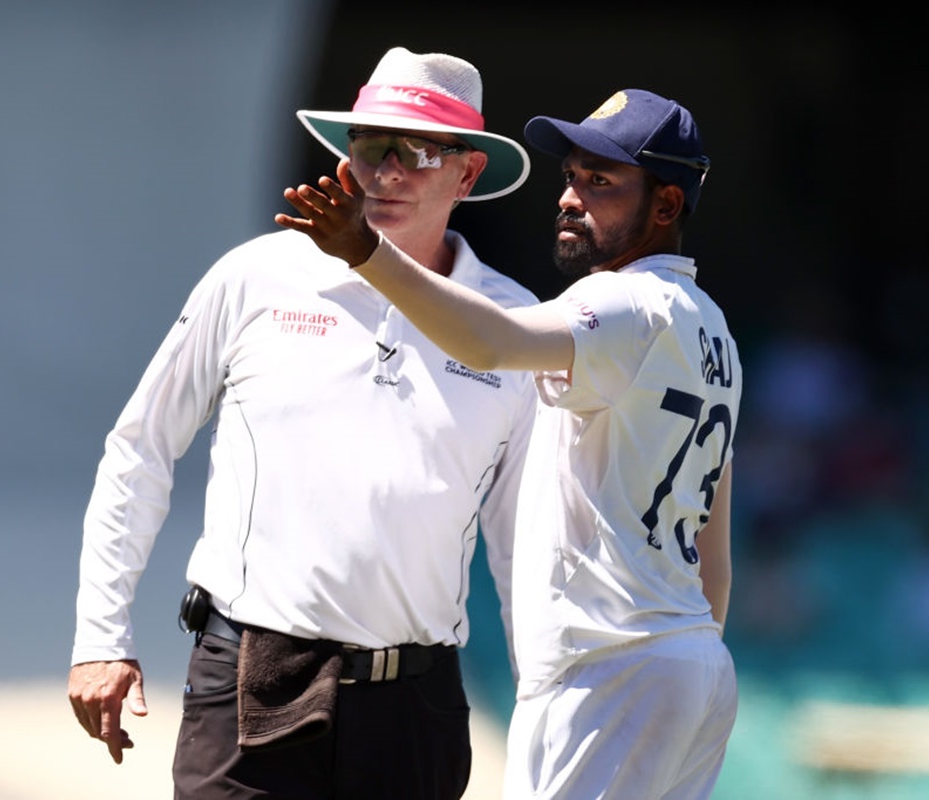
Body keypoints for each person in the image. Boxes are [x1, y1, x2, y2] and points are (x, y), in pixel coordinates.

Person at [68, 46, 540, 800]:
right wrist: (99, 638)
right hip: (247, 681)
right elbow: (141, 448)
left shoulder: (514, 327)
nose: (386, 171)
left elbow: (525, 544)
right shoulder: (256, 275)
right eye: (368, 146)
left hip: (416, 708)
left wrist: (539, 718)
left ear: (468, 173)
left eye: (414, 150)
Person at [277, 88, 742, 799]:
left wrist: (368, 252)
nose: (570, 197)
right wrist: (683, 659)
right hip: (693, 665)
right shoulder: (714, 332)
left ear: (667, 206)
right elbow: (715, 563)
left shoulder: (621, 302)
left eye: (601, 182)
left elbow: (491, 342)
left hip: (610, 665)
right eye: (571, 176)